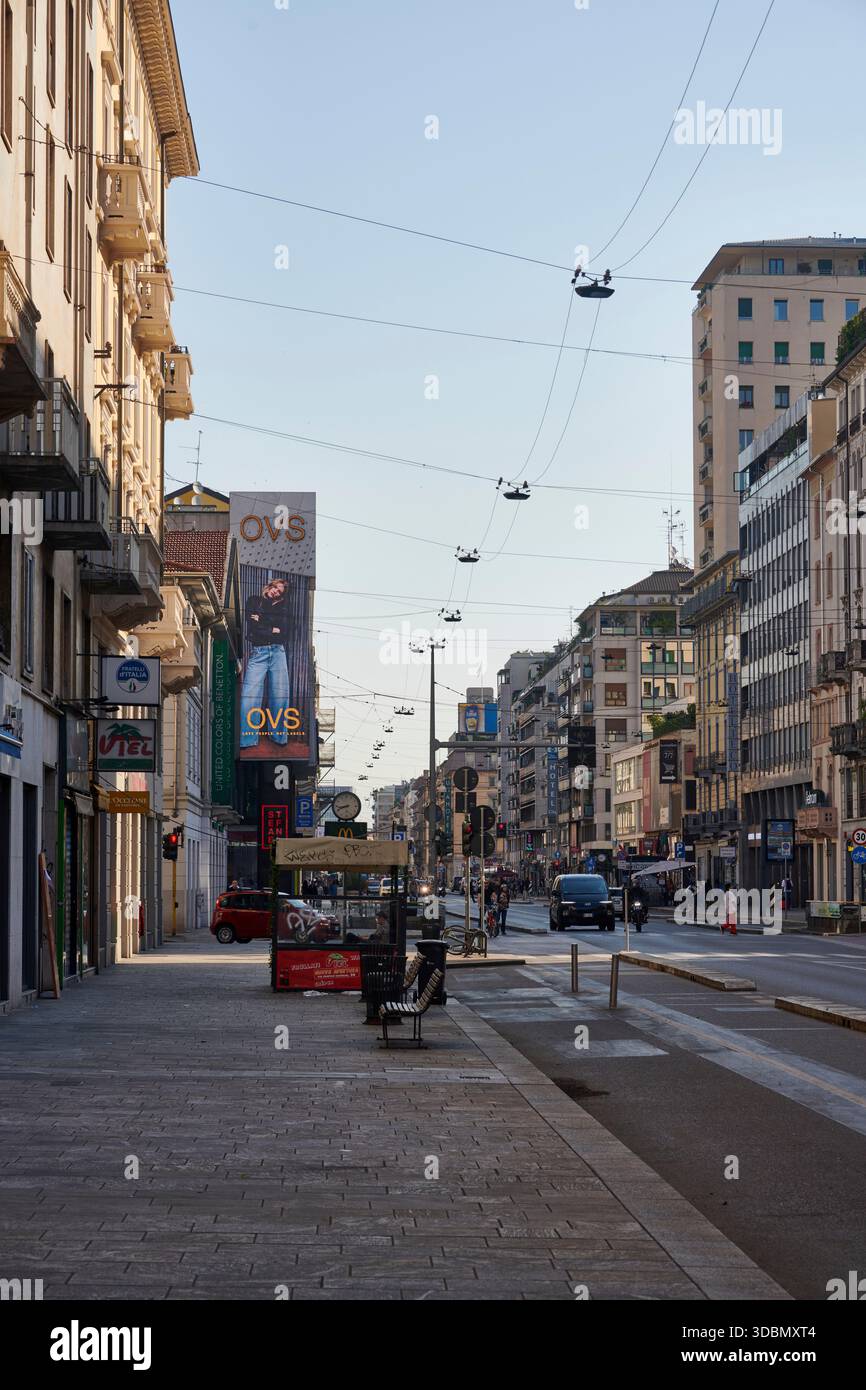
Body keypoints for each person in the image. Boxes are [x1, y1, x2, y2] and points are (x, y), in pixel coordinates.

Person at [239, 578, 292, 749]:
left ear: (281, 596)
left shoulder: (283, 609)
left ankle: (279, 737)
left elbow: (283, 633)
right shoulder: (253, 601)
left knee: (280, 696)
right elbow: (253, 628)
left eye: (280, 591)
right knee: (250, 696)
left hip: (278, 652)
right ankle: (247, 739)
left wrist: (262, 622)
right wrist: (272, 628)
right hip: (259, 652)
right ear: (269, 586)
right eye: (275, 587)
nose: (276, 591)